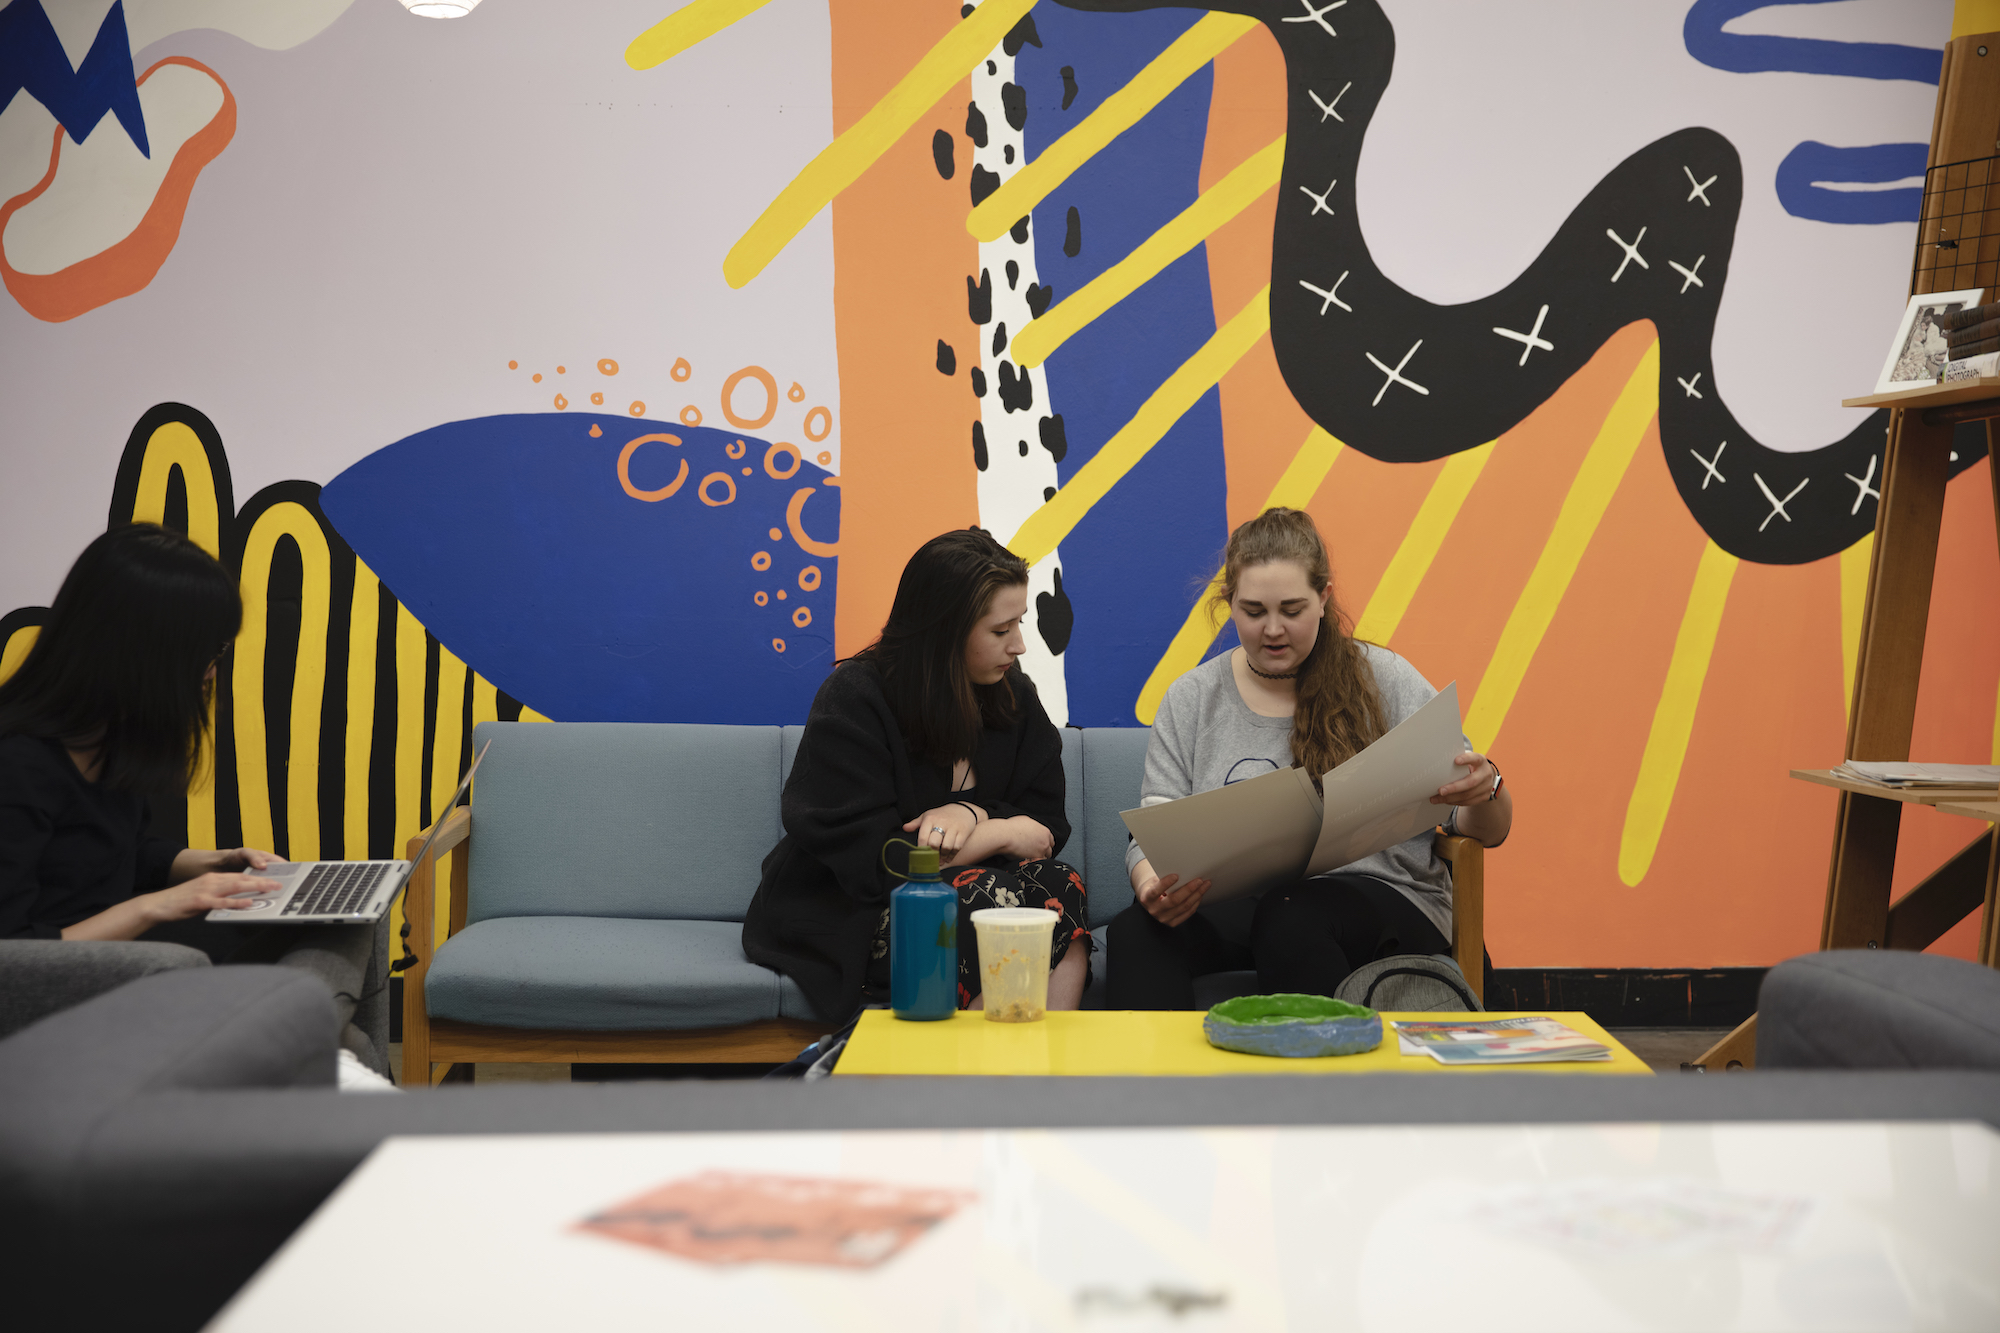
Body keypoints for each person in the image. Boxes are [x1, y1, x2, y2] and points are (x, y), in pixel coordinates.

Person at [0, 524, 386, 1077]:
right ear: (142, 653)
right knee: (337, 1035)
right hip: (77, 979)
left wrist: (211, 863)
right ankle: (303, 1049)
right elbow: (11, 950)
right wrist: (158, 904)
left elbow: (120, 854)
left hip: (138, 954)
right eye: (206, 654)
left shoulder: (105, 740)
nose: (210, 673)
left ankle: (293, 1045)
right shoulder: (17, 766)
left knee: (349, 916)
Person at [1109, 507, 1512, 1008]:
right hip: (1251, 904)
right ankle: (1160, 1085)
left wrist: (1487, 787)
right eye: (1253, 611)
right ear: (1228, 603)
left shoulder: (1383, 679)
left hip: (1387, 897)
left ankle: (1320, 1083)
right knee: (1136, 931)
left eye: (1292, 610)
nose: (1272, 630)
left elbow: (1483, 826)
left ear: (1323, 599)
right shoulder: (1192, 697)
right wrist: (1152, 883)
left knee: (1293, 912)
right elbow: (1155, 822)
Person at [743, 527, 1090, 1021]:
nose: (1019, 646)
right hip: (851, 910)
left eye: (1019, 623)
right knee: (978, 900)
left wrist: (972, 813)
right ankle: (972, 1082)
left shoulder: (1012, 693)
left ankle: (1051, 1071)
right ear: (944, 631)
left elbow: (1044, 829)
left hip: (974, 887)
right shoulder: (856, 699)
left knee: (1061, 885)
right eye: (1000, 630)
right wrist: (1000, 832)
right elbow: (879, 862)